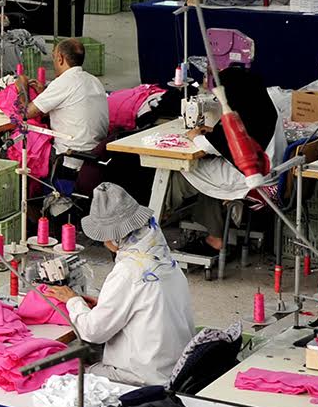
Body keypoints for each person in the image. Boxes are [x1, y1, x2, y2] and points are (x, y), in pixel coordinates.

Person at [39, 184, 194, 385]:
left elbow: (93, 332)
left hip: (145, 377)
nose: (104, 243)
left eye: (104, 238)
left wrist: (73, 300)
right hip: (176, 367)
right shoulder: (163, 257)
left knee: (61, 374)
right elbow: (144, 303)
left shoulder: (128, 271)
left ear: (114, 237)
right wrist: (103, 304)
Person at [176, 66, 285, 255]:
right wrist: (216, 132)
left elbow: (208, 146)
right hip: (274, 172)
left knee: (189, 167)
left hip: (255, 178)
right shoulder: (261, 103)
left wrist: (195, 136)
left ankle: (213, 238)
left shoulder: (245, 116)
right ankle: (215, 228)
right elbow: (230, 138)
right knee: (210, 170)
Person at [20, 38, 110, 191]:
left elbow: (25, 113)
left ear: (60, 58)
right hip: (95, 154)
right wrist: (44, 93)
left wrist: (21, 84)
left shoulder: (64, 82)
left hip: (70, 158)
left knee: (15, 150)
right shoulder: (94, 81)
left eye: (54, 57)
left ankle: (24, 200)